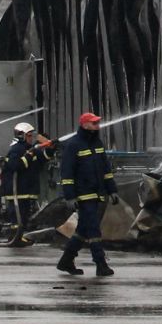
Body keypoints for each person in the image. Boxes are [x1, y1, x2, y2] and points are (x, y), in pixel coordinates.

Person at [56, 111, 117, 277]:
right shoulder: (73, 145)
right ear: (85, 125)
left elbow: (106, 170)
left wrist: (112, 190)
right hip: (83, 196)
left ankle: (66, 261)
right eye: (94, 123)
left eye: (98, 122)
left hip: (96, 194)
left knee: (83, 230)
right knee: (93, 229)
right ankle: (100, 263)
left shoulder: (97, 143)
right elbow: (66, 174)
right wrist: (70, 196)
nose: (98, 125)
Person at [0, 122, 53, 247]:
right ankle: (14, 238)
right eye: (28, 136)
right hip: (17, 190)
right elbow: (16, 166)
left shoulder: (30, 149)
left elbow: (42, 159)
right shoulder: (16, 149)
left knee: (24, 216)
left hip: (26, 189)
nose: (31, 138)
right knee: (17, 216)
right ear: (21, 136)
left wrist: (51, 149)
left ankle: (19, 237)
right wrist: (29, 155)